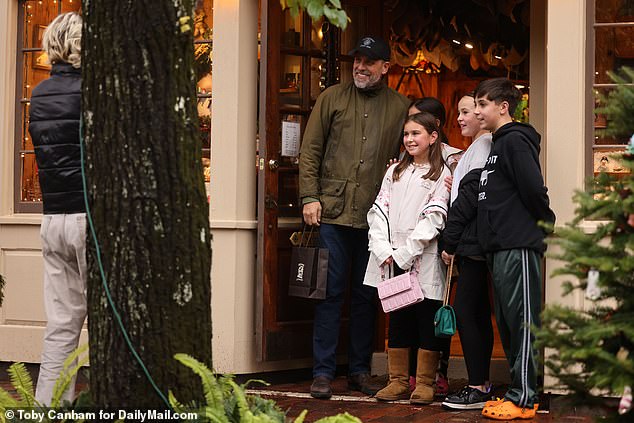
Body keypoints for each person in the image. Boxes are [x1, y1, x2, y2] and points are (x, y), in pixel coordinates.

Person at [299, 35, 410, 399]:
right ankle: (323, 373)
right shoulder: (331, 97)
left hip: (375, 219)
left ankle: (359, 370)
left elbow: (409, 155)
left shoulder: (400, 106)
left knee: (366, 297)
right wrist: (309, 197)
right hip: (330, 213)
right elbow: (311, 149)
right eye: (357, 60)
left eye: (369, 61)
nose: (360, 67)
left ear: (384, 67)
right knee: (329, 294)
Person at [473, 78, 555, 420]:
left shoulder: (516, 141)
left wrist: (546, 221)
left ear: (503, 107)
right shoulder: (496, 144)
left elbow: (534, 189)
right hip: (499, 247)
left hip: (518, 245)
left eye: (482, 104)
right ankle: (519, 393)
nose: (477, 112)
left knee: (522, 323)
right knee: (507, 326)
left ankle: (524, 398)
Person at [364, 112, 451, 404]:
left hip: (422, 258)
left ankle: (425, 383)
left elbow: (435, 216)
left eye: (416, 134)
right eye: (406, 134)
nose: (410, 139)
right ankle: (398, 380)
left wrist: (406, 251)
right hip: (390, 257)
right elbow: (379, 210)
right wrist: (382, 248)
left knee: (427, 318)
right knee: (398, 316)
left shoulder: (441, 174)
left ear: (433, 137)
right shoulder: (395, 172)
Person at [28, 12, 85, 406]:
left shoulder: (40, 94)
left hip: (52, 218)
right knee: (111, 326)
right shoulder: (93, 93)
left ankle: (47, 409)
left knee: (61, 327)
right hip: (89, 221)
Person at [440, 92, 495, 410]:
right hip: (473, 240)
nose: (460, 118)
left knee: (465, 311)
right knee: (476, 312)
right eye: (458, 112)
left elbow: (471, 197)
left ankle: (477, 386)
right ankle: (482, 382)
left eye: (466, 111)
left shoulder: (484, 146)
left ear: (480, 113)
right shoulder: (475, 148)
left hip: (472, 242)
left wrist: (451, 241)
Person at [407, 97, 460, 395]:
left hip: (443, 244)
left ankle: (439, 373)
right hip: (410, 246)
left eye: (418, 121)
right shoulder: (405, 159)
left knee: (438, 310)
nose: (411, 132)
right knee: (410, 309)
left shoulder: (455, 158)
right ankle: (411, 374)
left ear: (435, 126)